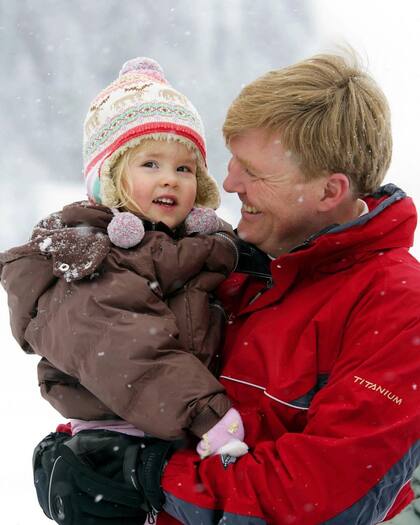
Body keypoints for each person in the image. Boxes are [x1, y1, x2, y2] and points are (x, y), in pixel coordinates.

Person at [6, 51, 420, 525]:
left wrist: (151, 477)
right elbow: (126, 356)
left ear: (330, 192)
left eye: (255, 172)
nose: (227, 183)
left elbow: (318, 498)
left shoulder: (398, 309)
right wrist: (82, 450)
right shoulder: (232, 264)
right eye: (233, 162)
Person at [0, 57, 250, 520]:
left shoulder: (192, 252)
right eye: (150, 163)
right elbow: (128, 349)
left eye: (185, 167)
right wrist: (206, 416)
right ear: (110, 178)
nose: (170, 178)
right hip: (118, 446)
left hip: (167, 440)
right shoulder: (85, 256)